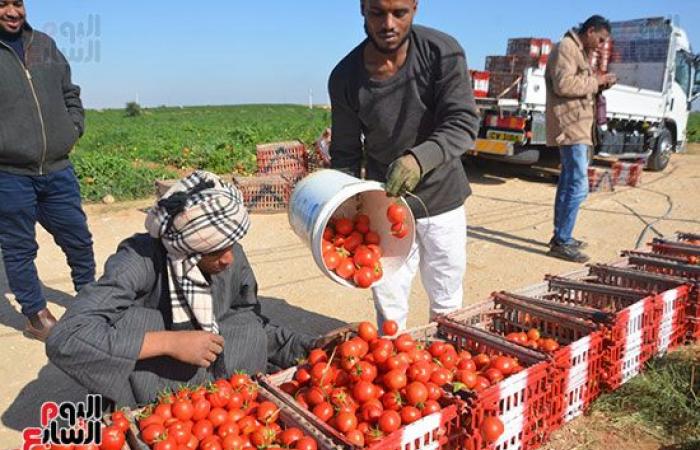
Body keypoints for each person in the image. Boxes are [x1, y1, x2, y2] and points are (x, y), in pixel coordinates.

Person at [47, 172, 344, 407]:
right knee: (138, 324)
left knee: (241, 322)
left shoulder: (229, 254)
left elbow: (254, 325)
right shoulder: (139, 261)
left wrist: (310, 346)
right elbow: (67, 337)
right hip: (161, 402)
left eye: (230, 244)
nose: (228, 258)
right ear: (187, 250)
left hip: (226, 399)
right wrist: (169, 343)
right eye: (215, 251)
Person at [328, 0, 479, 330]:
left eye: (400, 13)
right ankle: (394, 362)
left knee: (446, 295)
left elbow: (463, 122)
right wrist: (343, 210)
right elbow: (346, 152)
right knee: (390, 302)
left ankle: (444, 353)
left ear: (415, 7)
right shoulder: (344, 77)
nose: (388, 23)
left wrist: (419, 159)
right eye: (377, 13)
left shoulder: (442, 52)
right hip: (387, 203)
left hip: (442, 196)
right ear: (362, 10)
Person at [0, 0, 96, 341]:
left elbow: (70, 91)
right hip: (9, 173)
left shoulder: (43, 44)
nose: (12, 12)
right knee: (18, 247)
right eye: (2, 4)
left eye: (17, 3)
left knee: (78, 237)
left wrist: (73, 127)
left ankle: (90, 296)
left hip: (57, 167)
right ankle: (35, 315)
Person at [546, 15, 617, 262]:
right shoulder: (566, 47)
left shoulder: (578, 50)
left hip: (578, 127)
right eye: (600, 39)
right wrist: (596, 80)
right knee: (578, 185)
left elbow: (578, 84)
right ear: (590, 31)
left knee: (568, 184)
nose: (600, 45)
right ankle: (562, 240)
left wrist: (600, 84)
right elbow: (563, 84)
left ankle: (562, 236)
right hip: (571, 127)